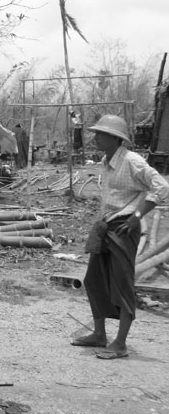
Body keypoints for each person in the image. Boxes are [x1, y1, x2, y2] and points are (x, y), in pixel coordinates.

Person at [71, 115, 169, 360]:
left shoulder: (132, 161)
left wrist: (137, 215)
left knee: (122, 284)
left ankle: (121, 343)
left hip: (124, 229)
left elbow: (161, 187)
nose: (95, 138)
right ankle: (100, 334)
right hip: (107, 227)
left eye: (100, 134)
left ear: (115, 138)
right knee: (93, 280)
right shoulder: (107, 160)